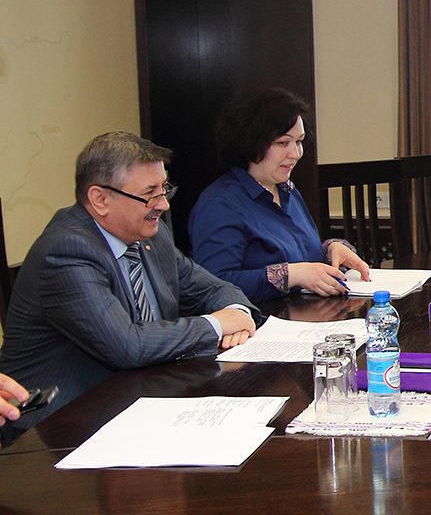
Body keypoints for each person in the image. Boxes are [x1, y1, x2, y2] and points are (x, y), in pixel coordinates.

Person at [0, 133, 258, 442]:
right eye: (149, 194)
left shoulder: (151, 235)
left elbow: (212, 288)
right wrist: (216, 325)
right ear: (100, 199)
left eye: (164, 189)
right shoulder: (67, 250)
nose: (163, 204)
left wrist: (237, 313)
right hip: (59, 427)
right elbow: (128, 346)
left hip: (139, 400)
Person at [189, 87, 370, 304]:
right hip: (259, 320)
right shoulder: (219, 204)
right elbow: (214, 286)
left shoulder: (287, 190)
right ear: (251, 142)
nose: (296, 154)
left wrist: (330, 249)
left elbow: (298, 258)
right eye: (283, 143)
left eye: (299, 142)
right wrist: (289, 275)